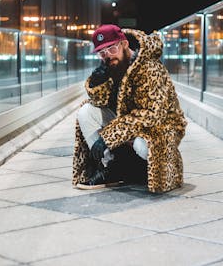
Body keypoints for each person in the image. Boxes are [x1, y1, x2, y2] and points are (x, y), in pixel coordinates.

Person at [72, 24, 187, 193]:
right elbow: (101, 102)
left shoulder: (149, 68)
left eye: (111, 49)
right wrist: (98, 82)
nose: (107, 56)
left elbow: (151, 115)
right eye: (102, 53)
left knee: (142, 145)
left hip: (161, 127)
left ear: (124, 44)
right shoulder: (112, 67)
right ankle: (110, 168)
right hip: (127, 124)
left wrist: (108, 137)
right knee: (86, 111)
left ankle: (157, 168)